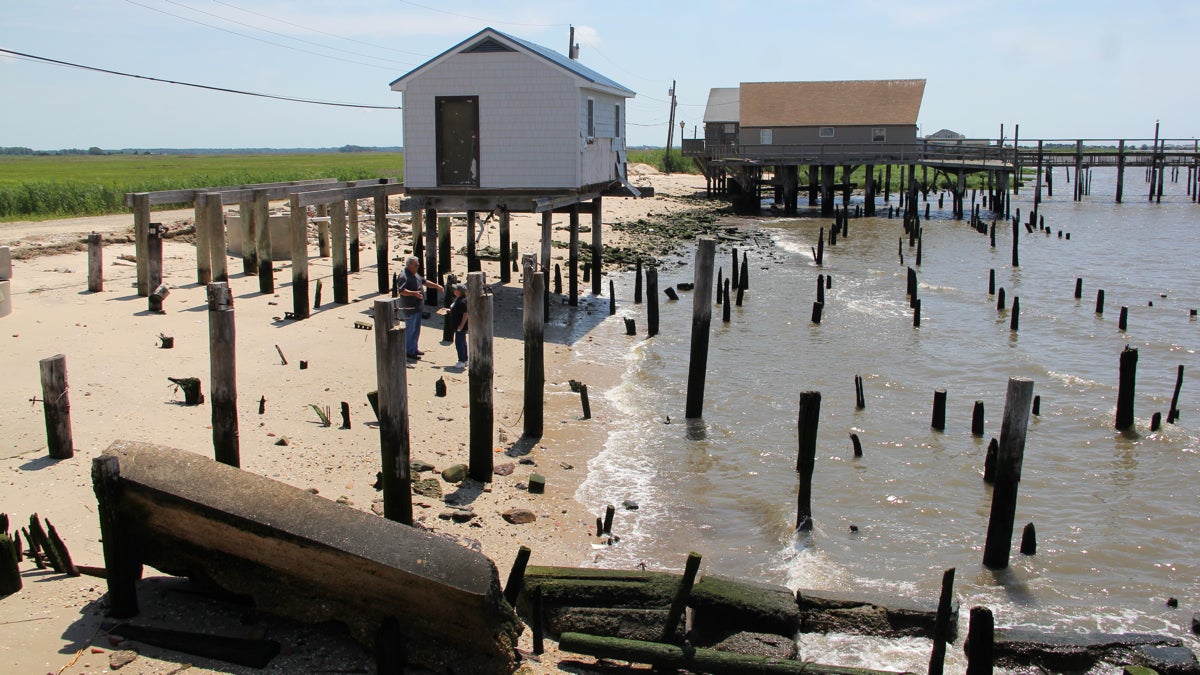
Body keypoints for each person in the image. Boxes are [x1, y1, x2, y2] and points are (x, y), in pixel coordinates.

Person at [399, 256, 443, 359]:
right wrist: (414, 293)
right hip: (410, 308)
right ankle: (409, 351)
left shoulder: (415, 274)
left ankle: (414, 348)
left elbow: (424, 281)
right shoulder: (404, 276)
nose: (418, 266)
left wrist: (436, 286)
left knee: (416, 330)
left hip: (418, 308)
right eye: (416, 265)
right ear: (409, 265)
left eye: (418, 265)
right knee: (410, 330)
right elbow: (401, 291)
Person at [447, 283, 468, 368]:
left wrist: (461, 325)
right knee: (462, 342)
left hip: (460, 325)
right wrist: (448, 310)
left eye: (455, 289)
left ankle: (461, 361)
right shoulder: (458, 299)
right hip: (457, 324)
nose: (454, 290)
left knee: (459, 343)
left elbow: (465, 314)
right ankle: (465, 359)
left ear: (459, 292)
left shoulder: (462, 301)